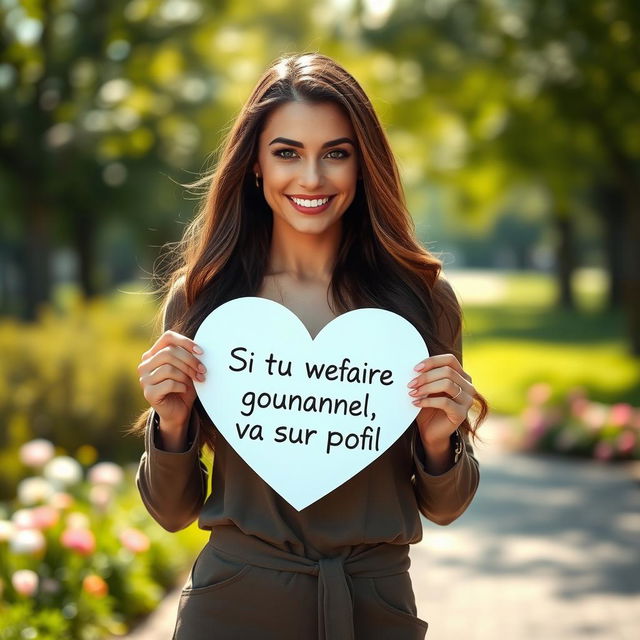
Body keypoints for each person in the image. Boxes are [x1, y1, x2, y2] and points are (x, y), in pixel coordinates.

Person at [131, 52, 488, 640]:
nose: (313, 179)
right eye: (287, 152)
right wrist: (171, 425)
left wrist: (437, 438)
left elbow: (445, 506)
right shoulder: (205, 303)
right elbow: (173, 513)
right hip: (231, 606)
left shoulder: (420, 302)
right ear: (254, 166)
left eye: (337, 154)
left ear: (363, 165)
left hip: (374, 607)